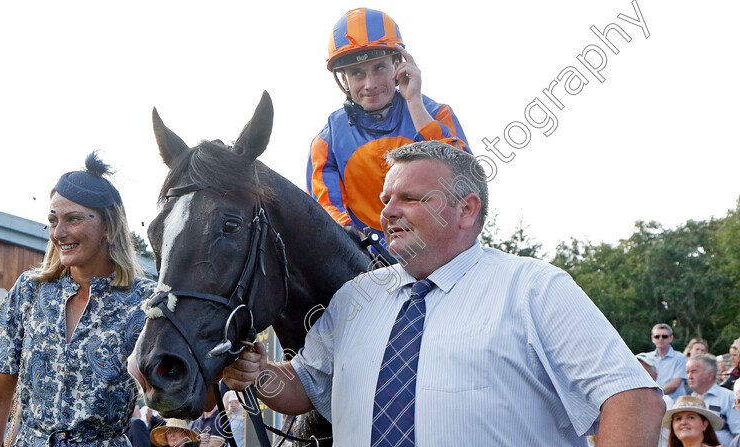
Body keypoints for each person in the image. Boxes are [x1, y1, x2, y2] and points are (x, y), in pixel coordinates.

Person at [226, 141, 665, 445]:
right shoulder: (355, 299)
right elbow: (303, 387)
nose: (388, 211)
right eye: (386, 199)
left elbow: (632, 398)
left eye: (410, 198)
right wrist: (258, 373)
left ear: (467, 208)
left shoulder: (534, 287)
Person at [0, 152, 156, 447]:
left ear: (108, 226)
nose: (58, 233)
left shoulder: (146, 301)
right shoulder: (30, 291)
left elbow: (191, 394)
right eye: (53, 220)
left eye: (73, 219)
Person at [307, 8, 471, 244]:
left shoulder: (437, 114)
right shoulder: (326, 141)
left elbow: (464, 180)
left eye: (379, 68)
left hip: (439, 247)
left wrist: (414, 102)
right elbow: (327, 210)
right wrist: (363, 246)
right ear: (344, 79)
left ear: (398, 64)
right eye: (357, 73)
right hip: (366, 259)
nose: (369, 84)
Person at [686, 354, 740, 445]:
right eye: (687, 372)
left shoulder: (728, 397)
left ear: (710, 374)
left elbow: (738, 433)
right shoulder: (688, 400)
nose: (689, 376)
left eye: (694, 371)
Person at [645, 323, 689, 402]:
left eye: (664, 336)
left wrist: (655, 395)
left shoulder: (680, 358)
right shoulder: (646, 358)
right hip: (651, 402)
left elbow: (675, 384)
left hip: (675, 404)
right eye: (657, 336)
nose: (660, 339)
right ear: (652, 338)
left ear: (671, 338)